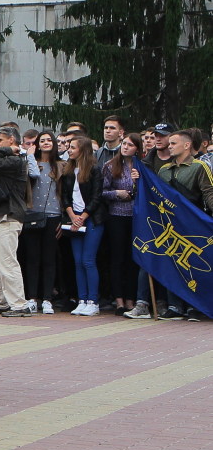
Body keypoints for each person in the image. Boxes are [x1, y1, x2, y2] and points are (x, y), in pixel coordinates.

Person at [0, 127, 35, 316]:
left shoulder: (15, 160)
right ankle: (1, 301)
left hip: (10, 215)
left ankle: (19, 304)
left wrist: (9, 150)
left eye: (0, 141)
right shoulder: (9, 160)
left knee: (7, 261)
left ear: (11, 140)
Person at [60, 135, 104, 316]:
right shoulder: (68, 170)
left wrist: (83, 217)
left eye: (73, 147)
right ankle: (82, 299)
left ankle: (93, 301)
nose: (69, 150)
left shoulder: (94, 169)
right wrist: (72, 216)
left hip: (92, 219)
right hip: (74, 219)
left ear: (83, 150)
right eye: (69, 147)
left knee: (88, 260)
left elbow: (96, 196)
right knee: (77, 262)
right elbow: (64, 196)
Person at [20, 131, 63, 314]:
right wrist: (30, 157)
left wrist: (64, 218)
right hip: (33, 215)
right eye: (42, 140)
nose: (46, 143)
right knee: (32, 258)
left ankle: (47, 298)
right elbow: (34, 176)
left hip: (53, 215)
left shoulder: (61, 165)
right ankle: (32, 298)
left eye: (49, 140)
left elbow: (66, 193)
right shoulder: (31, 163)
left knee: (49, 259)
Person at [101, 133, 142, 316]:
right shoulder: (110, 166)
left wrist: (137, 182)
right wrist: (117, 193)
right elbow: (103, 191)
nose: (126, 147)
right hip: (116, 215)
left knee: (132, 259)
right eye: (124, 144)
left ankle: (131, 298)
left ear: (137, 149)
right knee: (117, 258)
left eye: (130, 145)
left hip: (135, 216)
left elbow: (147, 192)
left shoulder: (141, 167)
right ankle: (118, 300)